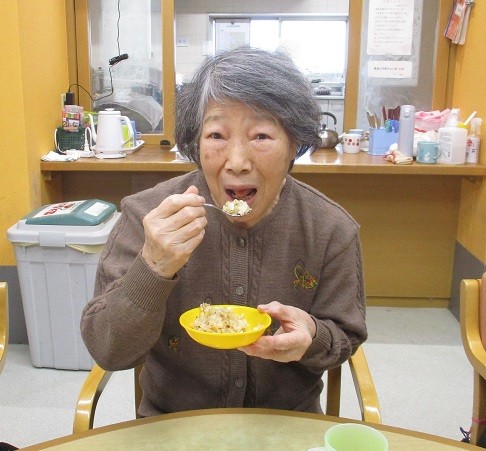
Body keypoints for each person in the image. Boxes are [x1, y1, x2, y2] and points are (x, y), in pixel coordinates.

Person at [81, 46, 367, 416]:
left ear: (294, 145)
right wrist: (153, 266)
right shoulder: (147, 217)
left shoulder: (330, 228)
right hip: (174, 423)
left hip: (285, 424)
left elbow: (345, 335)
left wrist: (312, 336)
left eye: (260, 136)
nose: (237, 162)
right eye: (217, 135)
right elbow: (107, 350)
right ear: (195, 143)